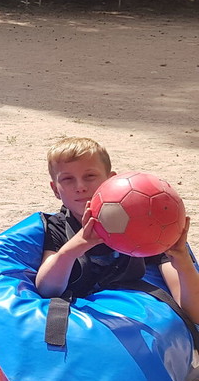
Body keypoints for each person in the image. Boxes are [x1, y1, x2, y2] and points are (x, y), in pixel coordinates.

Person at [34, 137, 197, 321]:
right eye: (67, 179)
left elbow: (195, 313)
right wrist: (75, 247)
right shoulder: (59, 226)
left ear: (111, 180)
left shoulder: (149, 227)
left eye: (90, 176)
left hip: (140, 319)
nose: (80, 187)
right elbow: (46, 290)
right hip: (84, 324)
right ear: (55, 189)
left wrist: (183, 263)